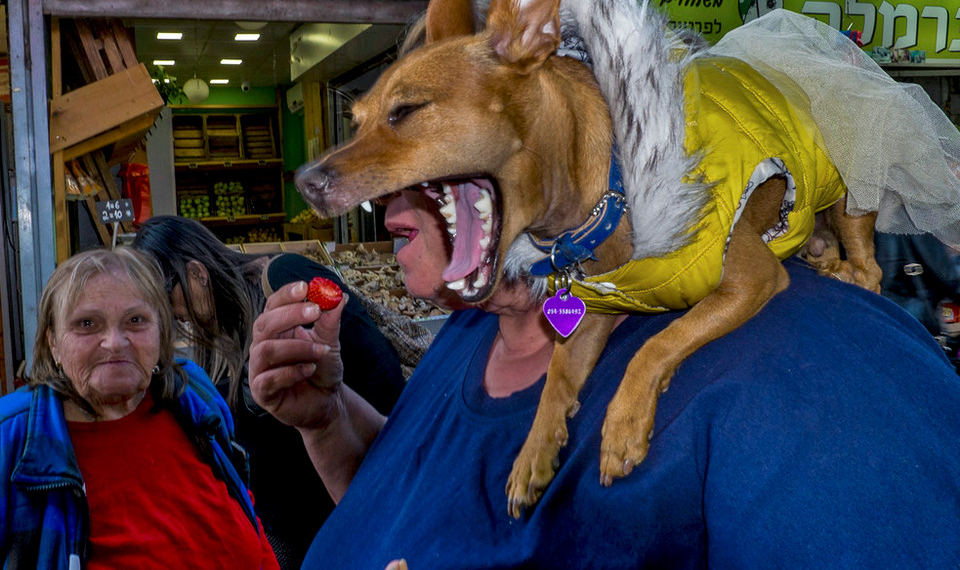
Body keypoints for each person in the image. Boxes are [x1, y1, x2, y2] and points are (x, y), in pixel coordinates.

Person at [248, 188, 960, 568]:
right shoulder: (474, 326)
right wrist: (329, 417)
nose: (383, 201)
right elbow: (422, 503)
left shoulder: (796, 374)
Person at [0, 247, 279, 568]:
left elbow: (241, 502)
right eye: (87, 323)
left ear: (161, 330)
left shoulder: (191, 393)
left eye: (135, 320)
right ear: (52, 342)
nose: (115, 342)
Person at [132, 215, 406, 567]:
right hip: (283, 528)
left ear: (197, 274)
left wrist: (391, 487)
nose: (172, 316)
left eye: (168, 301)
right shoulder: (214, 337)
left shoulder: (285, 280)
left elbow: (379, 371)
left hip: (344, 513)